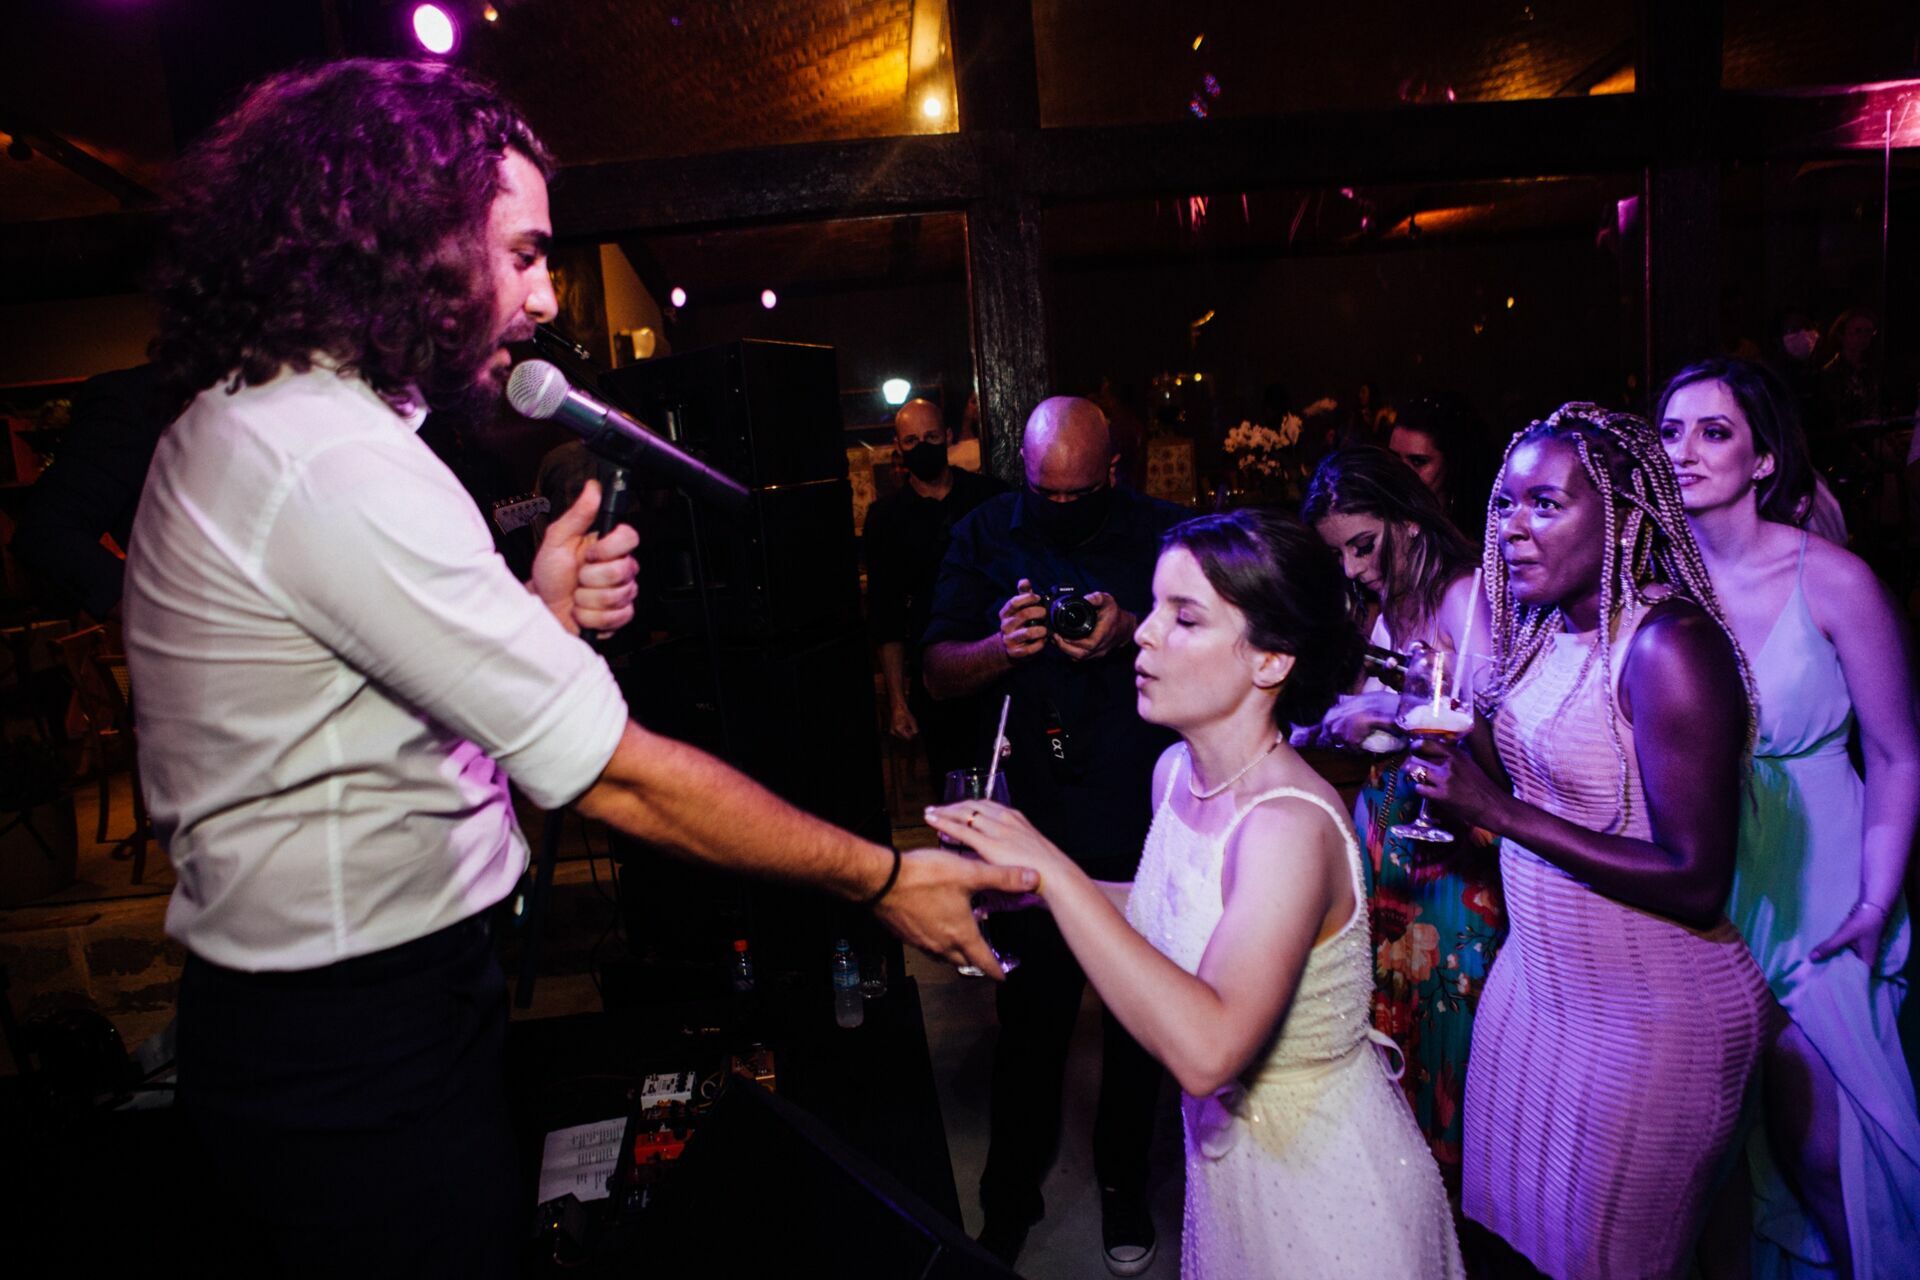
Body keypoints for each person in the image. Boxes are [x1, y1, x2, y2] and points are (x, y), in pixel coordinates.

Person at [124, 59, 1030, 1278]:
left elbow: (395, 723)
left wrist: (538, 617)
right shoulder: (325, 459)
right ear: (407, 233)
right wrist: (878, 877)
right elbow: (616, 778)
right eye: (523, 253)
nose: (547, 296)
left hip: (358, 1012)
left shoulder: (278, 422)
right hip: (349, 1042)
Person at [927, 508, 1465, 1279]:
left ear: (1271, 660)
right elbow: (1161, 914)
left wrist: (1047, 862)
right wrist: (1033, 892)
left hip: (1323, 1181)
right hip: (1228, 1171)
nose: (1143, 634)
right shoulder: (1174, 772)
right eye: (1155, 608)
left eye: (1185, 618)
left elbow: (1208, 1051)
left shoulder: (1287, 825)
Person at [1410, 403, 1775, 1277]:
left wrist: (1497, 813)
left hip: (1652, 1015)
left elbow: (1696, 879)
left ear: (1621, 514)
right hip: (1537, 994)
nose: (1513, 529)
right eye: (1503, 505)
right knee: (1508, 1249)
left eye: (1546, 505)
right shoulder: (1545, 634)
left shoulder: (1667, 645)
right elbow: (1523, 783)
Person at [1658, 358, 1920, 1278]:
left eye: (1714, 431)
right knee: (1717, 1159)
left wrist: (1876, 905)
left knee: (1828, 1148)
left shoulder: (1835, 580)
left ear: (1764, 458)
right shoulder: (1651, 585)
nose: (1685, 450)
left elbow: (1896, 755)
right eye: (1671, 431)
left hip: (1822, 879)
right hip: (1705, 879)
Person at [921, 395, 1183, 1272]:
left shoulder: (1167, 534)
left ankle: (1122, 1187)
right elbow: (938, 672)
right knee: (1028, 1020)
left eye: (1079, 495)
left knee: (1139, 1023)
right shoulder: (986, 531)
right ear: (1025, 472)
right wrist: (1001, 648)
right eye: (1046, 493)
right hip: (1033, 818)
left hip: (1140, 812)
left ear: (1113, 471)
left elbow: (1228, 639)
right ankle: (1007, 1195)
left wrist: (1127, 632)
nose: (1060, 509)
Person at [1300, 445, 1502, 1200]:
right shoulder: (1379, 605)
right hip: (1388, 830)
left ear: (1409, 522)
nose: (1352, 567)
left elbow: (1497, 746)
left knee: (1451, 1032)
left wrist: (1398, 708)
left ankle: (1453, 1213)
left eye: (1363, 544)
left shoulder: (1464, 598)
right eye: (1338, 553)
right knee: (1392, 1028)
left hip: (1454, 848)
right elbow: (1357, 712)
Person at [864, 397, 1005, 786]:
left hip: (998, 664)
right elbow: (886, 616)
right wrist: (897, 701)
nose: (922, 447)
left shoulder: (990, 498)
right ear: (899, 447)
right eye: (911, 441)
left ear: (946, 436)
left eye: (930, 436)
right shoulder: (886, 519)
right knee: (955, 790)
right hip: (935, 679)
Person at [1387, 393, 1497, 539]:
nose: (1401, 472)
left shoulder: (1485, 536)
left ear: (1452, 464)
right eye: (1394, 458)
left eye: (1418, 462)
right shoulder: (1377, 517)